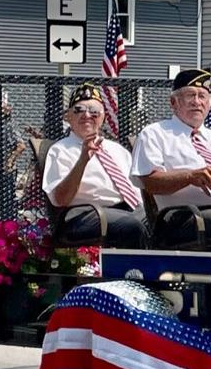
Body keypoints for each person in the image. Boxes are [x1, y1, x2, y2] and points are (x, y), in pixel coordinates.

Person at [132, 69, 211, 253]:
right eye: (190, 95)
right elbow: (151, 183)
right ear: (173, 102)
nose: (197, 102)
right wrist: (189, 177)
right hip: (185, 216)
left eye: (202, 96)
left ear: (209, 104)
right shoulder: (155, 134)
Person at [42, 85, 150, 248]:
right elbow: (60, 199)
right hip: (84, 214)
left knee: (159, 222)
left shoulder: (117, 150)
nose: (87, 115)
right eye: (79, 110)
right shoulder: (60, 150)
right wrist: (83, 160)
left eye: (94, 110)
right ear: (68, 116)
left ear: (103, 117)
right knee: (132, 226)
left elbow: (136, 192)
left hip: (126, 210)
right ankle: (135, 272)